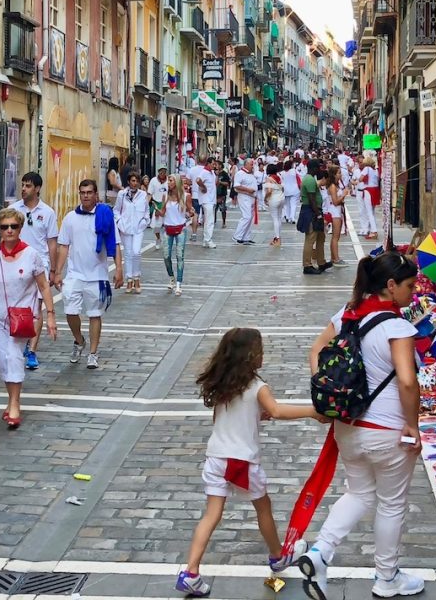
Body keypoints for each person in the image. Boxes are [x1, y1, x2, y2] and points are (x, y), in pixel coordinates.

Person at [300, 252, 423, 600]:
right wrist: (412, 426)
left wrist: (326, 395)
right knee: (391, 504)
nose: (412, 293)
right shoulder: (396, 326)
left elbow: (315, 351)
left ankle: (321, 552)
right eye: (409, 286)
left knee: (358, 493)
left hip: (349, 427)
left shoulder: (347, 315)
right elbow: (407, 382)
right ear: (390, 286)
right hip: (388, 432)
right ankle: (387, 578)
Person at [176, 327, 320, 597]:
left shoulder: (222, 384)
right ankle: (278, 556)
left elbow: (227, 418)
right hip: (240, 461)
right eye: (260, 351)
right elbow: (276, 410)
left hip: (216, 457)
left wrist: (255, 417)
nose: (262, 356)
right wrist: (311, 412)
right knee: (263, 507)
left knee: (211, 515)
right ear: (250, 356)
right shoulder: (256, 386)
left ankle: (191, 572)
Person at [0, 207, 56, 427]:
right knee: (3, 361)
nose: (9, 230)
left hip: (21, 318)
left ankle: (15, 405)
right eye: (5, 227)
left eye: (14, 226)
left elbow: (44, 287)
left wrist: (50, 315)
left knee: (13, 357)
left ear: (20, 228)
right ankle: (11, 399)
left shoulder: (31, 255)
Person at [55, 179, 122, 370]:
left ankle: (93, 353)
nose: (85, 195)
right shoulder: (70, 218)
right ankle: (79, 340)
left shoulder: (104, 216)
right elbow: (64, 246)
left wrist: (118, 268)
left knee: (94, 314)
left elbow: (115, 243)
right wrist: (57, 271)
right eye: (82, 192)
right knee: (70, 311)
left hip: (97, 275)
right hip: (75, 274)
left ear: (95, 195)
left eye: (89, 192)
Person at [12, 172, 59, 370]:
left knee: (36, 308)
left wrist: (54, 270)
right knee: (17, 306)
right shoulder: (13, 209)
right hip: (17, 262)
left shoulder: (47, 212)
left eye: (28, 185)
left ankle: (32, 350)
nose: (24, 188)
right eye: (22, 185)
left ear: (37, 188)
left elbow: (52, 243)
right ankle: (18, 344)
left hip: (40, 263)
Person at [115, 170, 150, 294]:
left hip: (138, 228)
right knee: (128, 253)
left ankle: (137, 278)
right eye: (132, 181)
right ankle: (129, 279)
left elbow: (146, 211)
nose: (134, 183)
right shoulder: (122, 194)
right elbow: (116, 210)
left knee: (136, 252)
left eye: (136, 181)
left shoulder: (143, 195)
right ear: (129, 181)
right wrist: (119, 222)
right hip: (126, 228)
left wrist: (145, 222)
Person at [161, 176, 189, 296]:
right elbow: (162, 212)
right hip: (168, 229)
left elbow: (189, 210)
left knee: (179, 256)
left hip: (180, 229)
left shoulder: (185, 196)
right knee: (166, 256)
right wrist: (157, 211)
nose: (168, 183)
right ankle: (172, 277)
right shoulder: (165, 196)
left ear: (176, 182)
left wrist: (191, 212)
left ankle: (178, 283)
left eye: (171, 180)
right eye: (168, 181)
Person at [300, 158, 327, 275]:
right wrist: (318, 214)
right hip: (311, 211)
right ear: (314, 168)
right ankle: (307, 265)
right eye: (318, 167)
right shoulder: (310, 180)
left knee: (321, 237)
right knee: (310, 239)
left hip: (314, 210)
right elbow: (311, 199)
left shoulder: (310, 178)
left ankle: (321, 262)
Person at [324, 165, 349, 269]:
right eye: (338, 173)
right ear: (334, 174)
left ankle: (333, 257)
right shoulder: (333, 187)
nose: (340, 175)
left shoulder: (335, 185)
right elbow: (335, 202)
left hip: (337, 212)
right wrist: (343, 195)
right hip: (335, 213)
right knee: (335, 237)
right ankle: (336, 258)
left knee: (335, 237)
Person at [192, 156, 218, 249]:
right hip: (207, 200)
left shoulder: (211, 173)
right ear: (208, 163)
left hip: (211, 199)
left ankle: (205, 239)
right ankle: (208, 239)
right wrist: (203, 187)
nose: (214, 166)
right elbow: (198, 180)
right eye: (213, 164)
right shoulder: (204, 172)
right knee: (209, 221)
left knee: (207, 220)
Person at [232, 158, 259, 245]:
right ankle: (237, 236)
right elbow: (236, 186)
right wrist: (248, 190)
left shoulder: (251, 174)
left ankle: (246, 237)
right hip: (244, 197)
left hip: (252, 198)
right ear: (246, 164)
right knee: (246, 216)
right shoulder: (240, 173)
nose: (252, 166)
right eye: (251, 164)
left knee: (250, 218)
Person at [358, 153, 380, 240]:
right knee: (372, 211)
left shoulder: (366, 168)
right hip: (375, 190)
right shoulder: (376, 170)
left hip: (368, 191)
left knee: (369, 212)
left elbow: (360, 178)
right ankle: (372, 229)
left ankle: (374, 231)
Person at [263, 163, 285, 245]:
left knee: (275, 219)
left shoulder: (269, 178)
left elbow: (269, 191)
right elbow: (282, 188)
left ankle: (277, 238)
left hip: (274, 199)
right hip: (281, 198)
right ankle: (278, 237)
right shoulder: (279, 177)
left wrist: (265, 199)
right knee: (279, 218)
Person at [147, 167, 169, 246]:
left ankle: (167, 240)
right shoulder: (153, 181)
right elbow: (149, 193)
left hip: (167, 204)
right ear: (158, 172)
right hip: (157, 204)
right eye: (161, 172)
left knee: (168, 224)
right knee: (156, 226)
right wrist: (146, 204)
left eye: (164, 171)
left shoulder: (169, 181)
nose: (162, 173)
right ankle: (158, 238)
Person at [282, 159, 301, 224]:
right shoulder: (294, 171)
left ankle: (287, 216)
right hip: (295, 189)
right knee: (293, 204)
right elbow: (299, 178)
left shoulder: (282, 173)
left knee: (287, 204)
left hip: (286, 190)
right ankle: (292, 218)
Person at [215, 162, 231, 229]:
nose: (216, 166)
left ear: (221, 166)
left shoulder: (224, 174)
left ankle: (224, 222)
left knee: (223, 208)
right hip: (214, 194)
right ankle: (213, 221)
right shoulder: (214, 173)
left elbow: (227, 183)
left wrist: (220, 182)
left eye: (217, 164)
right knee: (214, 209)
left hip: (222, 194)